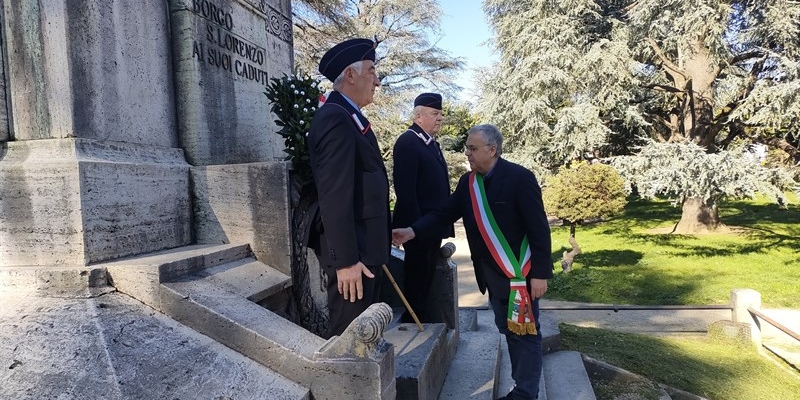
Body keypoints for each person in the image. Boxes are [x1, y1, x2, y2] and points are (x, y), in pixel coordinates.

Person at [392, 124, 553, 400]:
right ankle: (522, 387)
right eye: (467, 147)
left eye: (473, 148)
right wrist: (412, 231)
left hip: (520, 277)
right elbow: (444, 212)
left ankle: (525, 393)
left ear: (492, 150)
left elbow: (539, 229)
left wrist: (540, 274)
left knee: (525, 335)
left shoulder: (519, 178)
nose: (467, 153)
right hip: (491, 275)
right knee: (509, 330)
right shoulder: (469, 184)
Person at [307, 38, 390, 338]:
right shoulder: (335, 119)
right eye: (372, 71)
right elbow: (335, 194)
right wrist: (346, 261)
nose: (377, 81)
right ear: (351, 74)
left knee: (368, 340)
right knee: (351, 343)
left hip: (366, 250)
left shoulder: (350, 117)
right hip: (354, 257)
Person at [392, 92, 453, 323]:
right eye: (435, 114)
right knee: (417, 272)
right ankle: (414, 317)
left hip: (431, 224)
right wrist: (417, 228)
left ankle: (422, 314)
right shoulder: (408, 142)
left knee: (427, 272)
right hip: (417, 225)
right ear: (418, 116)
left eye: (441, 114)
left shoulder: (429, 143)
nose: (440, 118)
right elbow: (406, 192)